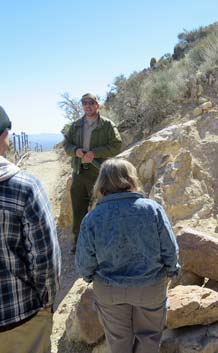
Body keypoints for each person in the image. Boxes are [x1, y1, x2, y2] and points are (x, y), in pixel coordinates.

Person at [75, 158, 179, 353]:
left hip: (109, 290)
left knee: (118, 342)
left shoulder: (92, 218)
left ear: (102, 183)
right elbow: (170, 249)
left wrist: (90, 276)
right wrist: (171, 272)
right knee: (149, 340)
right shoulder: (152, 209)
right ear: (131, 179)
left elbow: (84, 262)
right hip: (150, 287)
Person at [0, 106, 61, 353]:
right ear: (4, 136)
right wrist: (46, 301)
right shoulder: (24, 188)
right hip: (19, 316)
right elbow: (45, 259)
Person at [62, 93, 122, 253]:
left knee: (101, 208)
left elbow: (117, 146)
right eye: (84, 103)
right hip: (79, 173)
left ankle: (102, 243)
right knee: (78, 208)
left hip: (100, 173)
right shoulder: (75, 126)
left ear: (97, 105)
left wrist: (95, 153)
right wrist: (75, 150)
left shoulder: (107, 125)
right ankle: (79, 242)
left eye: (91, 102)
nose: (87, 105)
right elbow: (66, 144)